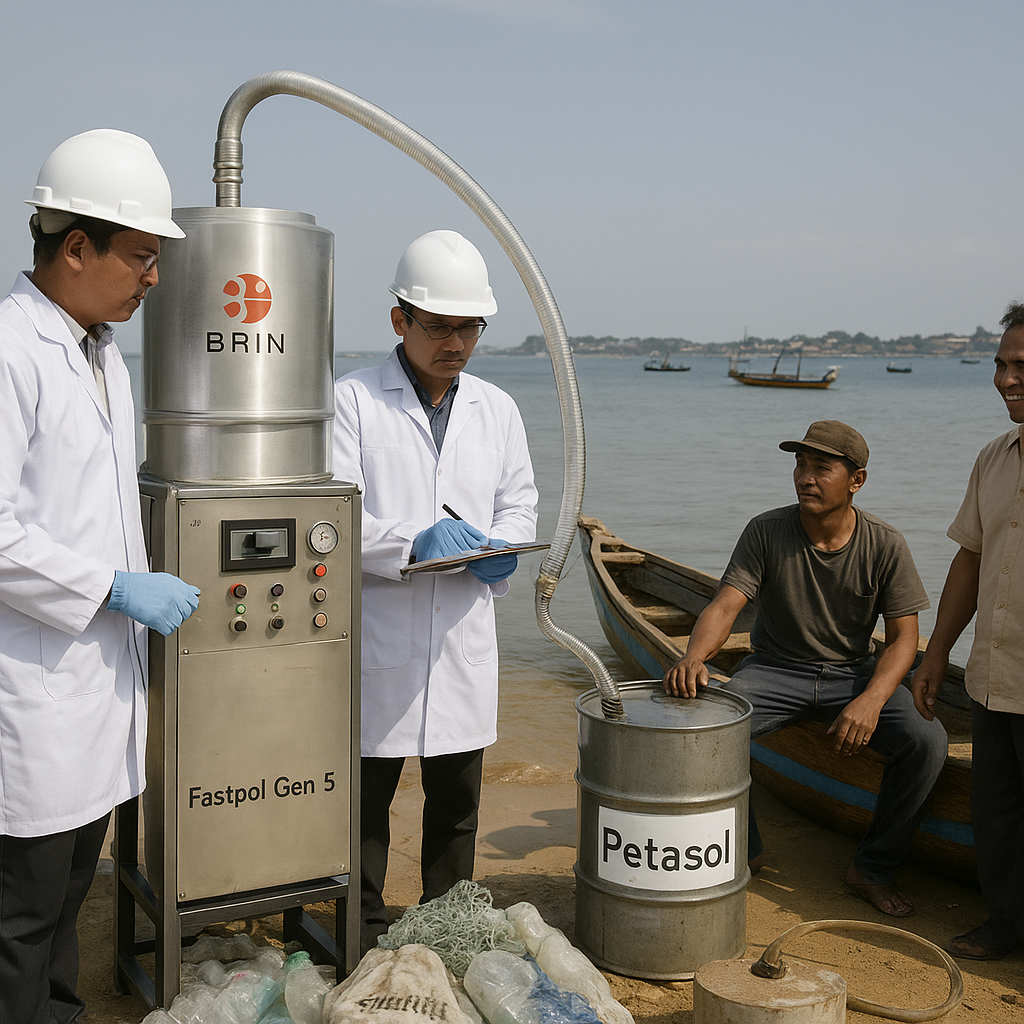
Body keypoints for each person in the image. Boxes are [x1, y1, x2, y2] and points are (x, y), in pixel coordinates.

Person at [0, 129, 200, 1024]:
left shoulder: (100, 351)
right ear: (75, 245)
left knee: (70, 901)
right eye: (141, 256)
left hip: (98, 694)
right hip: (35, 695)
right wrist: (114, 588)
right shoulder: (11, 351)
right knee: (20, 920)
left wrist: (138, 576)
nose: (152, 278)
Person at [332, 229, 538, 953]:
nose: (456, 343)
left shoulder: (496, 408)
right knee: (365, 804)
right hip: (381, 629)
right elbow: (333, 516)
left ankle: (445, 933)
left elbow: (519, 505)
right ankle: (359, 935)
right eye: (440, 326)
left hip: (461, 634)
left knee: (456, 805)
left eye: (469, 327)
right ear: (400, 320)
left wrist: (501, 552)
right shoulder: (353, 400)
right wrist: (411, 542)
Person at [663, 420, 947, 916]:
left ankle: (872, 867)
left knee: (927, 742)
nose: (805, 478)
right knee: (705, 730)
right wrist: (694, 656)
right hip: (774, 671)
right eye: (800, 465)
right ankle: (745, 850)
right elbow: (726, 605)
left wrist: (871, 699)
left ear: (856, 480)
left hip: (852, 676)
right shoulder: (767, 530)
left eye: (821, 468)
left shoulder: (885, 543)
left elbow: (905, 639)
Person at [912, 303, 1024, 961]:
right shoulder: (995, 458)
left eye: (1021, 365)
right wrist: (936, 653)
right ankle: (1007, 923)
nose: (1006, 379)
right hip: (994, 676)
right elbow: (970, 558)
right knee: (998, 814)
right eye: (1001, 364)